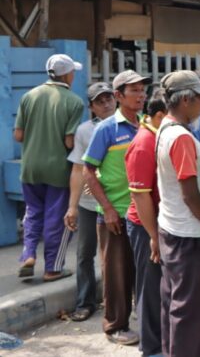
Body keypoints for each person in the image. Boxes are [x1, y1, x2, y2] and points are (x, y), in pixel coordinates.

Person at [157, 70, 200, 357]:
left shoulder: (164, 128)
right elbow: (190, 195)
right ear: (185, 100)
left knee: (174, 304)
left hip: (171, 228)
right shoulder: (182, 138)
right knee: (189, 312)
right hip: (187, 234)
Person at [83, 69, 151, 346]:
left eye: (142, 90)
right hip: (116, 216)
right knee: (117, 275)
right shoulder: (107, 128)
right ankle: (115, 326)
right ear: (118, 95)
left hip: (142, 214)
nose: (141, 95)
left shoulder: (146, 124)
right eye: (134, 90)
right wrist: (108, 209)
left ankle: (146, 321)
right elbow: (88, 170)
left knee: (142, 274)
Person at [13, 54, 84, 282]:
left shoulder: (28, 96)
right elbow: (69, 142)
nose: (74, 75)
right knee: (57, 217)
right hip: (58, 169)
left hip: (30, 167)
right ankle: (53, 268)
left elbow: (19, 135)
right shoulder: (74, 102)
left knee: (33, 212)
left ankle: (28, 255)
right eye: (73, 71)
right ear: (66, 74)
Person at [64, 82, 116, 322]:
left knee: (114, 254)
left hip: (118, 201)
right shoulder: (85, 130)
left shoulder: (126, 125)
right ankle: (85, 302)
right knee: (85, 253)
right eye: (100, 101)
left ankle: (116, 301)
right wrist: (72, 206)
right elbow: (77, 169)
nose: (106, 104)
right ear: (91, 107)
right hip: (88, 203)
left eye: (108, 99)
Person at [125, 88, 167, 357]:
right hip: (144, 225)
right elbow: (140, 197)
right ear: (161, 115)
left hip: (155, 224)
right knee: (149, 288)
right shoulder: (144, 143)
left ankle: (161, 339)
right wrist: (153, 236)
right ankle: (150, 347)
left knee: (159, 287)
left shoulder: (157, 137)